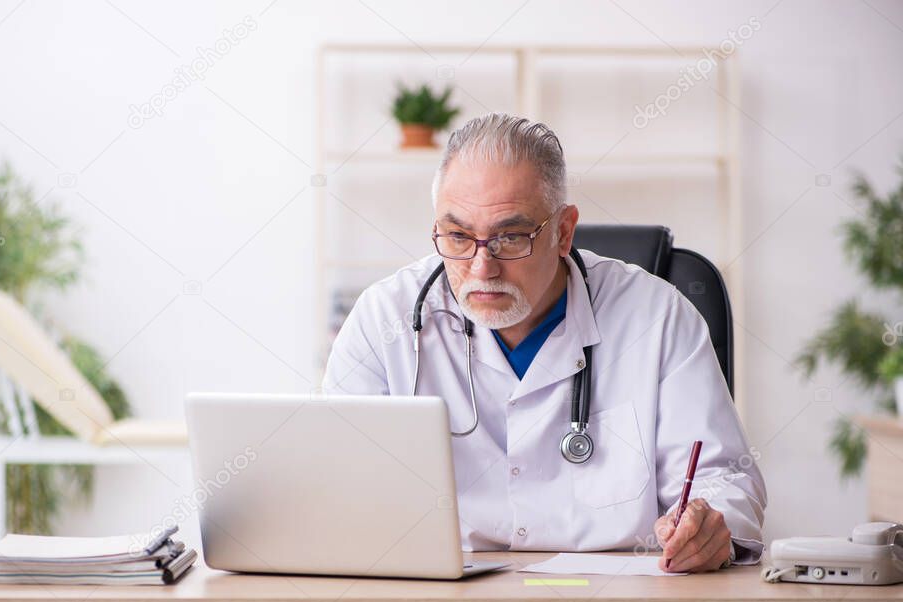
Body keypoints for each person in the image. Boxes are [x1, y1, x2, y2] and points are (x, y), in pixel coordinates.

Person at [322, 113, 766, 572]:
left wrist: (711, 525)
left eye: (510, 238)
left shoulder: (657, 317)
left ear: (564, 231)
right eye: (457, 236)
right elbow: (332, 483)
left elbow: (723, 479)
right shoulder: (385, 320)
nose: (481, 268)